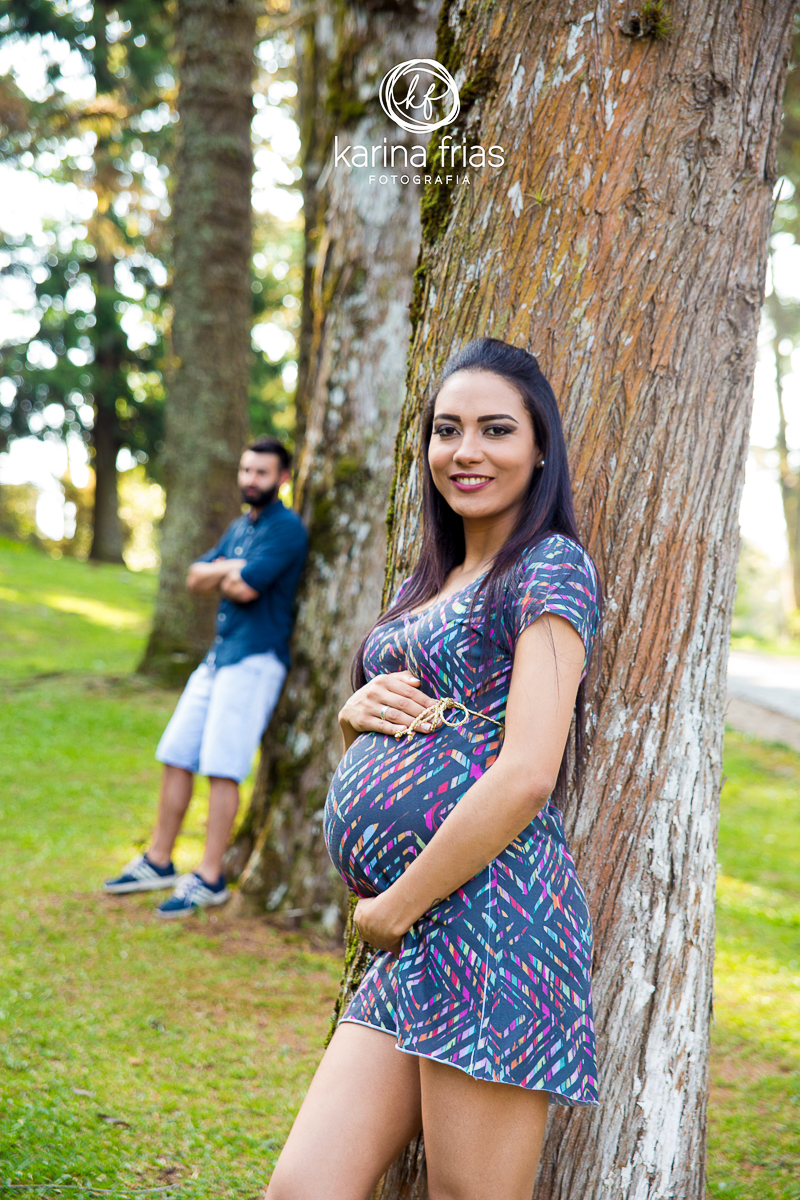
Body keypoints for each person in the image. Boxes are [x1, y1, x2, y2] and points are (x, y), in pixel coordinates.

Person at [266, 339, 603, 1200]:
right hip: (416, 933)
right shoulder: (436, 578)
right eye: (447, 430)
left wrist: (394, 906)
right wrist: (356, 724)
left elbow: (528, 770)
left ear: (539, 448)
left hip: (494, 921)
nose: (466, 451)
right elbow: (416, 736)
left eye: (496, 429)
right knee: (303, 1187)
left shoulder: (549, 567)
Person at [103, 438, 308, 918]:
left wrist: (224, 572)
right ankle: (158, 860)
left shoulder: (286, 529)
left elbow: (243, 587)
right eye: (245, 470)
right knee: (176, 754)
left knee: (223, 767)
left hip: (254, 661)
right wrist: (226, 568)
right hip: (217, 660)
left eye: (261, 473)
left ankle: (211, 875)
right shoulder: (240, 528)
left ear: (282, 479)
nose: (250, 480)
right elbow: (195, 578)